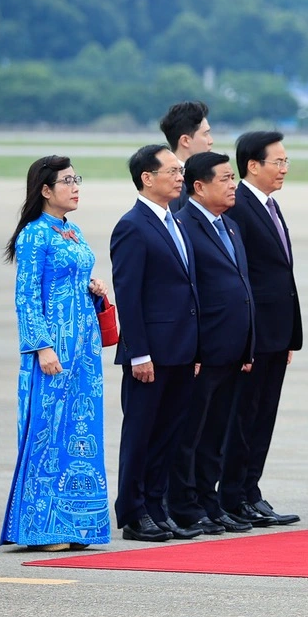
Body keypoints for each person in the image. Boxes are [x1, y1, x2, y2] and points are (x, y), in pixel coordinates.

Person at [1, 156, 111, 551]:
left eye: (76, 179)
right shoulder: (35, 235)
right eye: (67, 181)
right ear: (45, 190)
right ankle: (41, 526)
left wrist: (93, 289)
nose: (75, 186)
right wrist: (42, 346)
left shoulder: (72, 231)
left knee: (80, 432)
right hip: (54, 351)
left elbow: (68, 286)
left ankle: (78, 525)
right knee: (49, 432)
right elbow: (26, 296)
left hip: (83, 351)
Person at [110, 144, 202, 541]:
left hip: (182, 350)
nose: (180, 176)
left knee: (168, 434)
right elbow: (128, 295)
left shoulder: (174, 222)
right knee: (141, 434)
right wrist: (139, 352)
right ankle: (133, 512)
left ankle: (156, 507)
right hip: (151, 354)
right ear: (147, 178)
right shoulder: (132, 225)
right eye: (173, 170)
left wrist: (196, 348)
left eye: (181, 170)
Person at [167, 153, 255, 535]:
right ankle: (184, 504)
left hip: (234, 351)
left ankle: (208, 498)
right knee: (192, 432)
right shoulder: (185, 225)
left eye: (233, 177)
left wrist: (248, 346)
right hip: (205, 351)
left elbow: (243, 290)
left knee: (217, 432)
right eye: (224, 178)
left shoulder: (230, 227)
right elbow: (190, 295)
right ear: (198, 187)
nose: (233, 184)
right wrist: (198, 349)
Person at [222, 130, 301, 528]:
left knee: (263, 417)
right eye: (279, 161)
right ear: (253, 165)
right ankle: (233, 496)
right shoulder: (239, 207)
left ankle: (250, 491)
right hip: (255, 335)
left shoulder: (269, 205)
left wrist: (288, 334)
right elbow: (243, 279)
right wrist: (250, 338)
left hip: (277, 333)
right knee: (244, 417)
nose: (285, 168)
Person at [159, 100, 213, 212]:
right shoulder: (169, 186)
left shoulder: (204, 177)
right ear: (185, 140)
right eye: (205, 134)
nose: (211, 141)